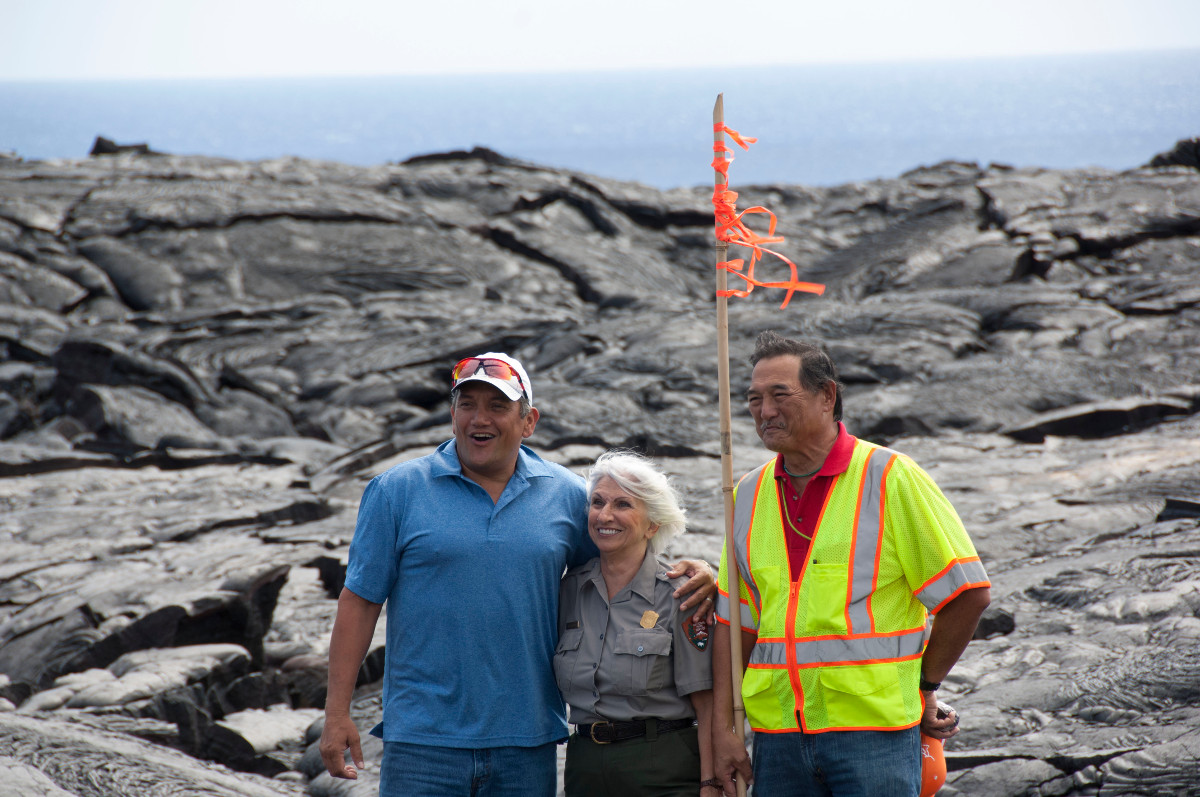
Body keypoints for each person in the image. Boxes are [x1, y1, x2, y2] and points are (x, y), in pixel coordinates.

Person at [318, 352, 717, 797]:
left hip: (528, 744)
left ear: (529, 422)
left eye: (497, 405)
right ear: (452, 414)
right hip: (421, 743)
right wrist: (337, 714)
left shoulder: (566, 494)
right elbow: (359, 601)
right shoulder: (395, 491)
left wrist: (695, 570)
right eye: (466, 404)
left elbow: (616, 568)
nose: (478, 418)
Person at [711, 332, 992, 797]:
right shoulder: (745, 494)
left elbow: (968, 595)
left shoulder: (890, 476)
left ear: (827, 396)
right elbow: (735, 624)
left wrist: (924, 685)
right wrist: (724, 729)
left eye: (780, 395)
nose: (765, 411)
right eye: (754, 399)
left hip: (874, 737)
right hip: (778, 739)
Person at [556, 451, 720, 797]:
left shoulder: (681, 596)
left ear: (653, 524)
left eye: (623, 505)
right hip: (584, 769)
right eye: (597, 502)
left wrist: (710, 782)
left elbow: (707, 702)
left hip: (663, 769)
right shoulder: (568, 591)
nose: (605, 515)